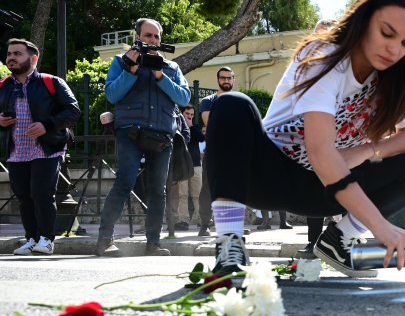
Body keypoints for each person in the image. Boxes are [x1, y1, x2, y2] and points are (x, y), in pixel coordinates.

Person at [204, 0, 405, 281]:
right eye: (386, 33)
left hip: (323, 190)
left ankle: (338, 242)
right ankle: (230, 247)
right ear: (363, 20)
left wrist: (363, 152)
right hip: (267, 175)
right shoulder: (324, 54)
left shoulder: (399, 79)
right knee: (232, 103)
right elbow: (320, 150)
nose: (394, 50)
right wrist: (381, 226)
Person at [95, 18, 190, 257]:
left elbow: (184, 99)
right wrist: (132, 70)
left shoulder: (172, 67)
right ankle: (105, 240)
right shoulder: (120, 61)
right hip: (130, 132)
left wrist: (160, 75)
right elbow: (112, 94)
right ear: (137, 37)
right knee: (124, 182)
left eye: (157, 36)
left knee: (158, 189)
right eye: (148, 36)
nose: (153, 40)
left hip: (162, 134)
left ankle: (153, 244)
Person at [1, 39, 80, 255]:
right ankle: (31, 239)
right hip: (16, 150)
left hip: (47, 147)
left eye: (17, 53)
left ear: (33, 59)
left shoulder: (51, 82)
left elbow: (73, 111)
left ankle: (46, 240)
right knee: (24, 197)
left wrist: (46, 125)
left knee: (41, 193)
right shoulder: (2, 85)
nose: (11, 58)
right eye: (9, 54)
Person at [298, 18, 339, 257]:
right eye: (318, 35)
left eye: (327, 35)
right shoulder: (304, 66)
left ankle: (339, 242)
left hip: (340, 139)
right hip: (311, 138)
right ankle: (312, 243)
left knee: (340, 189)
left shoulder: (345, 65)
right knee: (314, 191)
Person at [197, 67, 236, 237]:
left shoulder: (239, 101)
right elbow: (210, 122)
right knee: (208, 188)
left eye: (229, 78)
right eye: (223, 78)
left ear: (233, 80)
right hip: (213, 152)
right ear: (217, 80)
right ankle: (205, 224)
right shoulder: (208, 100)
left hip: (234, 152)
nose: (226, 81)